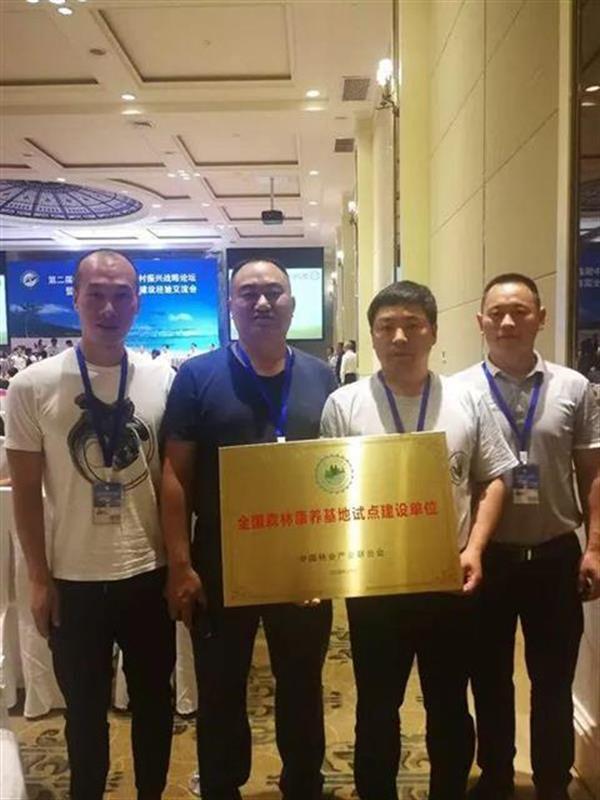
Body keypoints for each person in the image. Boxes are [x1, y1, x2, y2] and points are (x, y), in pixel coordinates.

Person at [320, 280, 516, 800]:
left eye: (412, 325)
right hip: (374, 588)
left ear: (433, 331)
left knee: (449, 704)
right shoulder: (344, 403)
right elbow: (325, 492)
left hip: (447, 580)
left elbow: (494, 478)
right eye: (387, 327)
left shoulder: (467, 400)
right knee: (376, 707)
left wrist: (474, 549)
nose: (400, 337)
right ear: (372, 336)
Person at [161, 257, 337, 800]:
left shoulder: (321, 376)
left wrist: (336, 561)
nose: (262, 303)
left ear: (293, 304)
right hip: (220, 560)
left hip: (303, 560)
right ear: (231, 306)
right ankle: (221, 784)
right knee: (220, 685)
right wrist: (181, 565)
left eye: (274, 292)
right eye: (248, 293)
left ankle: (303, 781)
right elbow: (174, 476)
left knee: (302, 681)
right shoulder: (198, 376)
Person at [5, 249, 176, 800]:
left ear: (137, 303)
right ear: (74, 298)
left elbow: (172, 478)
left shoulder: (161, 379)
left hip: (147, 572)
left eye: (121, 295)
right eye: (96, 294)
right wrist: (38, 578)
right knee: (83, 713)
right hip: (73, 580)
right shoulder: (32, 385)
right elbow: (25, 494)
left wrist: (179, 566)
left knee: (154, 703)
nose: (108, 307)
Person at [455, 273, 600, 800]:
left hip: (555, 555)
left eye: (520, 311)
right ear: (480, 322)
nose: (508, 322)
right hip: (486, 558)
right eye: (496, 312)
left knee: (553, 681)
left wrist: (594, 548)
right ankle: (496, 775)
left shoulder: (574, 388)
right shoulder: (457, 391)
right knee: (488, 677)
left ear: (541, 317)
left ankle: (551, 782)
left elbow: (592, 473)